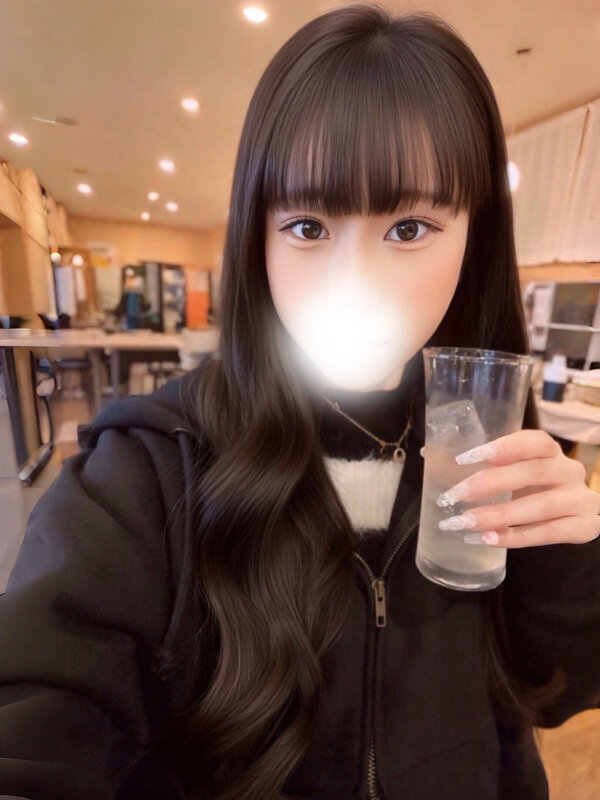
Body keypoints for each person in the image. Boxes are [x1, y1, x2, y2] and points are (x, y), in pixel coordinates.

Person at [1, 5, 600, 800]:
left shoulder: (485, 445)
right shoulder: (149, 467)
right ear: (258, 237)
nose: (356, 282)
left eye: (411, 228)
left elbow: (555, 693)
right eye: (309, 226)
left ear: (475, 239)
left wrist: (568, 561)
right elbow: (36, 715)